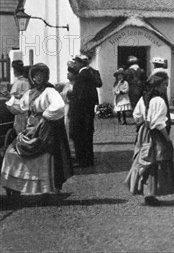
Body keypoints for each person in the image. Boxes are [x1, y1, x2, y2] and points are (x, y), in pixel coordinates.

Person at [2, 63, 73, 196]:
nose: (38, 78)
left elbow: (58, 107)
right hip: (30, 129)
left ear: (46, 76)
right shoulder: (29, 93)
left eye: (41, 75)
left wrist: (44, 117)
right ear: (32, 77)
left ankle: (45, 187)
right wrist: (9, 98)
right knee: (12, 153)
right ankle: (15, 184)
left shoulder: (50, 91)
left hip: (45, 129)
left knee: (43, 157)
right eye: (35, 75)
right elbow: (20, 108)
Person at [125, 71, 174, 206]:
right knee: (157, 160)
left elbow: (137, 117)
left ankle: (147, 191)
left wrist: (144, 125)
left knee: (145, 159)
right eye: (164, 85)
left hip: (144, 132)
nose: (166, 88)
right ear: (158, 86)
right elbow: (159, 123)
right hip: (156, 134)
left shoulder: (143, 99)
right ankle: (151, 193)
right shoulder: (159, 100)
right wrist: (167, 138)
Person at [68, 54, 102, 167]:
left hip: (80, 113)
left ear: (82, 63)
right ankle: (87, 160)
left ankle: (82, 160)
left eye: (76, 63)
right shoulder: (88, 74)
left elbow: (80, 96)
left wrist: (71, 97)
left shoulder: (82, 75)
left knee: (80, 135)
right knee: (86, 136)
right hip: (86, 112)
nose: (75, 65)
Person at [9, 60, 30, 134]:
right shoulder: (28, 82)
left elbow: (12, 97)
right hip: (27, 111)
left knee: (20, 130)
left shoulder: (18, 83)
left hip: (20, 111)